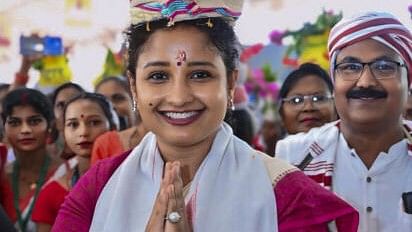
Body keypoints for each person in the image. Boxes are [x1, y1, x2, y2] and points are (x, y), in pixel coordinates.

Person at [53, 1, 358, 231]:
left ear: (231, 83)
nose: (179, 96)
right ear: (134, 86)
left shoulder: (287, 194)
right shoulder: (99, 185)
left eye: (200, 74)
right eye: (158, 76)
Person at [276, 12, 412, 231]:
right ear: (334, 82)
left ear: (408, 81)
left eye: (384, 66)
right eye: (350, 67)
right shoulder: (291, 159)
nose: (366, 82)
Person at [32, 93, 116, 232]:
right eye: (73, 124)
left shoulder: (131, 177)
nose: (83, 132)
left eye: (94, 122)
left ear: (113, 127)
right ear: (63, 131)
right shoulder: (51, 193)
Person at [0, 88, 60, 232]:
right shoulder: (2, 176)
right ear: (4, 128)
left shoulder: (68, 174)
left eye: (34, 121)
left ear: (50, 126)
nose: (25, 130)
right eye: (15, 123)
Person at [91, 77, 148, 166]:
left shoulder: (160, 137)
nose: (112, 106)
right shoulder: (103, 145)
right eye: (104, 102)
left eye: (118, 98)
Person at [278, 62, 336, 135]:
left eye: (319, 98)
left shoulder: (351, 146)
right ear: (281, 114)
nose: (308, 107)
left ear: (336, 108)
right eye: (297, 100)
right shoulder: (280, 146)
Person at [50, 82, 85, 160]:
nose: (67, 110)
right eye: (61, 105)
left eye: (73, 103)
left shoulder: (94, 152)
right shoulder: (43, 154)